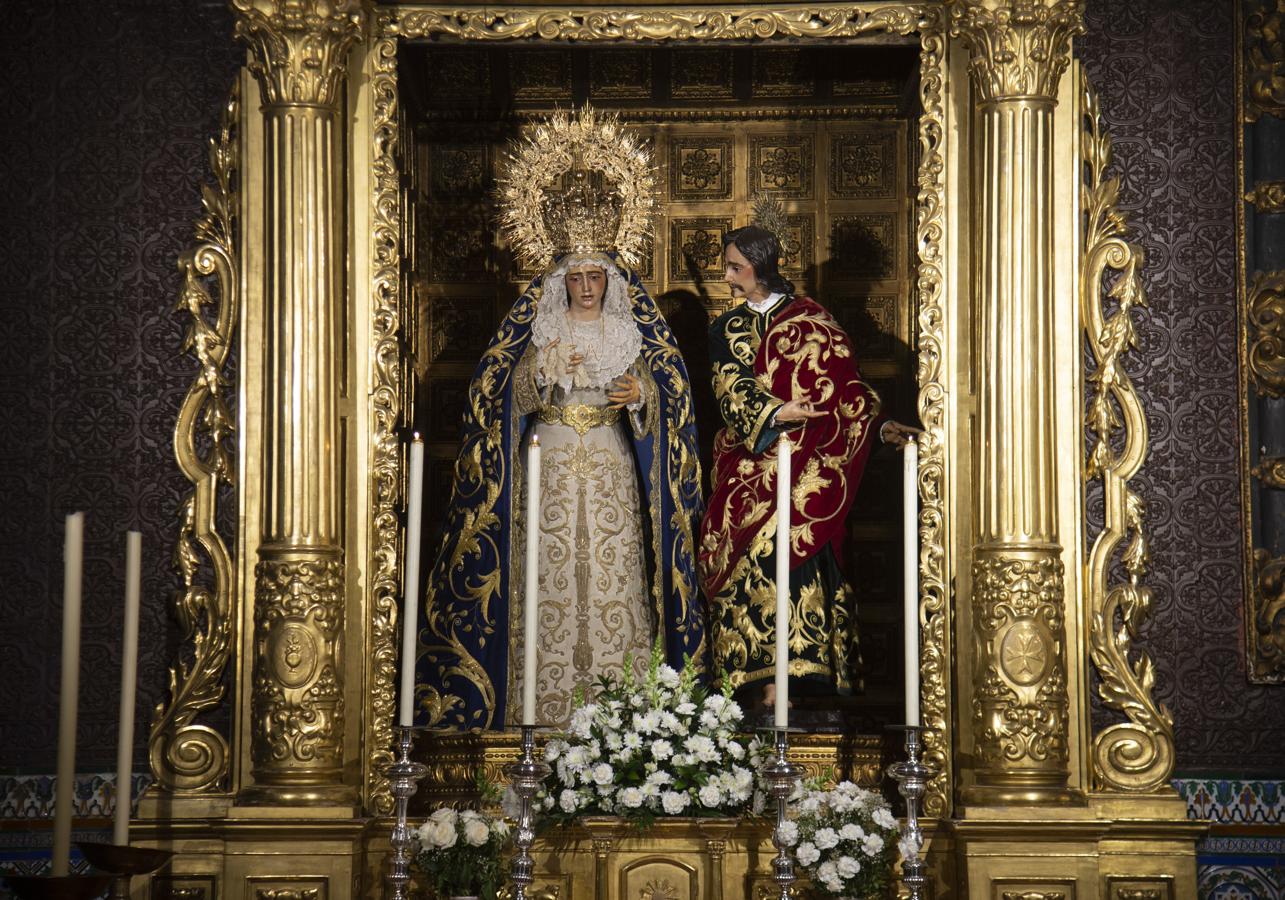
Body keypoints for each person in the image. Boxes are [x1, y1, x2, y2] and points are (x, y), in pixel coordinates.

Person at [414, 108, 704, 729]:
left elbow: (670, 393)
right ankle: (537, 713)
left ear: (610, 278)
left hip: (606, 458)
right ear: (561, 281)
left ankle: (622, 720)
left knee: (610, 570)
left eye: (597, 275)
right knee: (548, 577)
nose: (588, 286)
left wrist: (641, 393)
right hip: (546, 457)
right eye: (578, 277)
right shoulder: (537, 327)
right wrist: (537, 371)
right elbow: (494, 395)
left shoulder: (629, 328)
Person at [698, 224, 916, 710]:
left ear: (762, 266)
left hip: (810, 461)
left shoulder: (814, 319)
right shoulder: (725, 329)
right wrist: (778, 413)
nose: (729, 276)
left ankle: (799, 678)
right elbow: (729, 388)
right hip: (751, 463)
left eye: (737, 266)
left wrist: (879, 429)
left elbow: (847, 390)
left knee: (800, 546)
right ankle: (755, 683)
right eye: (728, 266)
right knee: (747, 551)